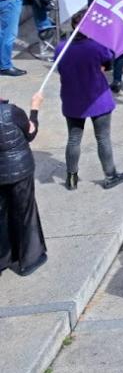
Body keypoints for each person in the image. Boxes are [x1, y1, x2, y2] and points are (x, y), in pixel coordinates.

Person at [56, 15, 123, 191]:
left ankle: (71, 178)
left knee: (73, 139)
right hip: (98, 99)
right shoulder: (96, 46)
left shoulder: (61, 47)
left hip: (72, 99)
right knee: (103, 138)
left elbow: (60, 69)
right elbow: (109, 59)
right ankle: (110, 176)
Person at [0, 90, 45, 276]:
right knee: (24, 212)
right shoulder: (11, 111)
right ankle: (29, 259)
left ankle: (4, 258)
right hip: (19, 170)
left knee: (2, 215)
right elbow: (30, 133)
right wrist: (35, 109)